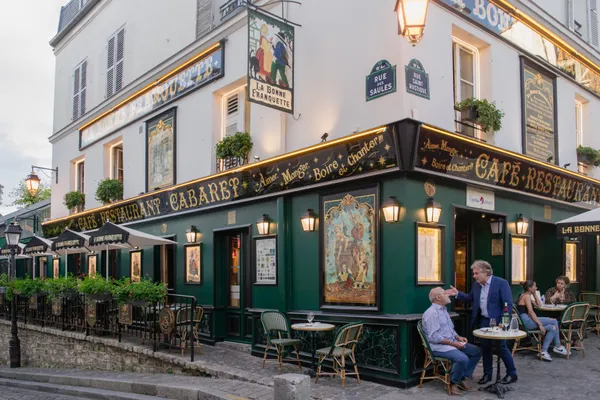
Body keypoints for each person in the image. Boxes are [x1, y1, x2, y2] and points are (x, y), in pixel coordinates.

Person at [445, 260, 517, 385]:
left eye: (476, 273)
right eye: (474, 274)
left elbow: (508, 304)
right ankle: (487, 375)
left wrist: (503, 322)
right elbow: (471, 298)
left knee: (502, 347)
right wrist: (457, 294)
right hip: (484, 320)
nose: (474, 276)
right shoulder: (476, 285)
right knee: (486, 348)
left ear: (486, 272)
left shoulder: (501, 283)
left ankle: (512, 373)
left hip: (499, 322)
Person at [422, 287, 481, 395]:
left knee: (476, 351)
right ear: (438, 297)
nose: (448, 295)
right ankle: (453, 383)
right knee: (462, 358)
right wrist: (453, 343)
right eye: (445, 293)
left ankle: (461, 377)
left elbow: (450, 329)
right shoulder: (431, 313)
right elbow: (434, 337)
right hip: (438, 347)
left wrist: (458, 337)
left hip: (452, 342)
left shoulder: (443, 310)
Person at [517, 280, 569, 361]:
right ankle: (558, 346)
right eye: (534, 286)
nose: (536, 288)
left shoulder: (526, 295)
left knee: (553, 328)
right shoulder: (526, 297)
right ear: (530, 288)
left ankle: (543, 351)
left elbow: (539, 305)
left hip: (528, 319)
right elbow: (531, 312)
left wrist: (534, 294)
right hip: (527, 321)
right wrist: (540, 325)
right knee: (554, 321)